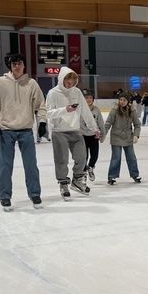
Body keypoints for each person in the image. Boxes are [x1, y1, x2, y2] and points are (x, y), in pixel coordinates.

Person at [0, 53, 47, 210]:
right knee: (4, 166)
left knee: (31, 165)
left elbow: (40, 104)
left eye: (20, 63)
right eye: (14, 64)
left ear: (24, 65)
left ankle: (35, 194)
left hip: (26, 130)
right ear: (10, 66)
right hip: (6, 130)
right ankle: (5, 196)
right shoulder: (0, 82)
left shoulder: (31, 83)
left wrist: (42, 122)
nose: (17, 66)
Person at [45, 67, 100, 199]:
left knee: (82, 157)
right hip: (59, 131)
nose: (69, 85)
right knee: (61, 160)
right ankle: (63, 183)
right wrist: (65, 110)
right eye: (67, 82)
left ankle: (77, 180)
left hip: (75, 130)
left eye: (72, 83)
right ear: (61, 79)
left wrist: (94, 128)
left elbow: (85, 111)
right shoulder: (53, 93)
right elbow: (48, 113)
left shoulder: (77, 92)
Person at [104, 92, 142, 184]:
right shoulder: (114, 110)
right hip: (116, 137)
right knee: (116, 157)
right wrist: (103, 134)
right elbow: (108, 123)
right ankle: (112, 176)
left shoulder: (131, 111)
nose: (122, 102)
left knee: (131, 157)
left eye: (124, 100)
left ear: (128, 101)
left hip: (128, 137)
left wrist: (136, 135)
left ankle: (135, 174)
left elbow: (137, 124)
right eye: (120, 99)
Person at [80, 89, 104, 182]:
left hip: (94, 136)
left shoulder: (96, 109)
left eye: (90, 98)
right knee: (84, 156)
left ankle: (90, 168)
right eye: (86, 98)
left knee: (94, 156)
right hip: (83, 136)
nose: (89, 99)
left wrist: (102, 134)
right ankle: (84, 172)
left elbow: (100, 123)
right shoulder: (80, 110)